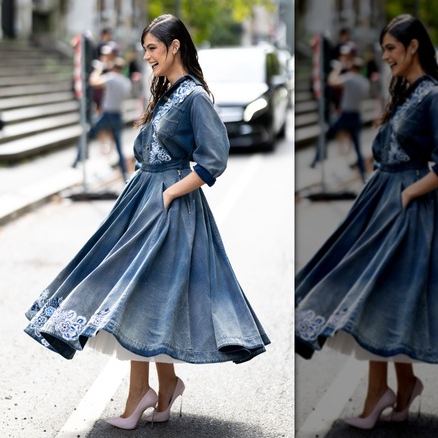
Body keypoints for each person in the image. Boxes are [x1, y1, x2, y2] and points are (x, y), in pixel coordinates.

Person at [25, 14, 269, 430]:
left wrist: (172, 192)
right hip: (144, 202)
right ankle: (164, 386)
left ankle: (142, 395)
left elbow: (215, 159)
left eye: (153, 49)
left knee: (139, 294)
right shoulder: (168, 91)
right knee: (141, 294)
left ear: (175, 47)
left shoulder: (193, 96)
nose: (147, 57)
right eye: (145, 50)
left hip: (170, 208)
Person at [295, 14, 438, 430]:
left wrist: (410, 192)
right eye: (384, 49)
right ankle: (401, 387)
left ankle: (381, 394)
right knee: (380, 295)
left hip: (409, 210)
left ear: (413, 47)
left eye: (392, 48)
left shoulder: (432, 98)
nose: (386, 56)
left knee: (379, 296)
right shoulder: (407, 92)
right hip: (382, 203)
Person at [310, 56, 371, 181]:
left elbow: (332, 81)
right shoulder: (365, 82)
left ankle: (316, 160)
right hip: (357, 115)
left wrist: (337, 69)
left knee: (325, 134)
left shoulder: (349, 78)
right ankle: (363, 172)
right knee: (357, 146)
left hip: (346, 114)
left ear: (352, 68)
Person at [73, 57, 132, 179]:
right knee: (118, 145)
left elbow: (93, 82)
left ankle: (77, 160)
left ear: (113, 67)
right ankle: (124, 171)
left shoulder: (111, 77)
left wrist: (98, 69)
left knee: (87, 133)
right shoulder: (126, 82)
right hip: (118, 115)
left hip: (107, 114)